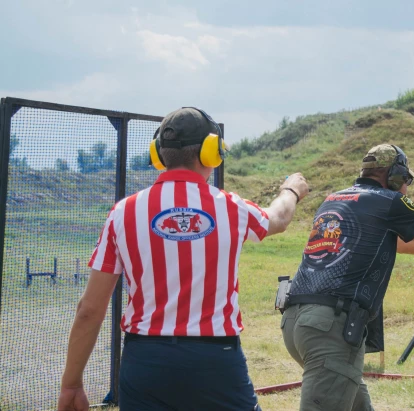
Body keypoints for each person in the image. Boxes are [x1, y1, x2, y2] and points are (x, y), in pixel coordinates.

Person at [57, 107, 309, 411]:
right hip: (215, 358)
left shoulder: (123, 213)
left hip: (145, 360)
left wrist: (71, 384)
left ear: (158, 153)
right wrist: (291, 190)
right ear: (210, 153)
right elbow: (278, 219)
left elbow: (89, 310)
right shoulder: (231, 208)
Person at [280, 144, 414, 411]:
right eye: (405, 180)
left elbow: (405, 244)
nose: (406, 187)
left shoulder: (335, 199)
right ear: (394, 175)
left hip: (296, 321)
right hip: (330, 328)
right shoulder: (389, 201)